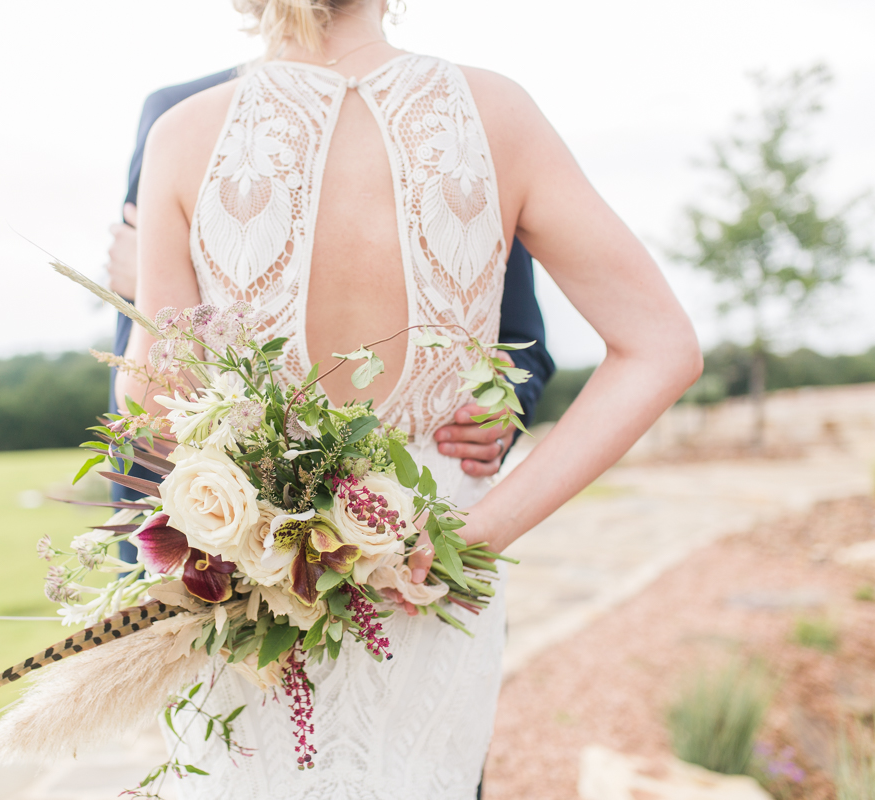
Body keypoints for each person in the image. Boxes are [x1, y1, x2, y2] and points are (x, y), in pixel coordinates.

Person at [117, 1, 703, 797]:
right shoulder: (499, 115)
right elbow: (661, 347)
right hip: (432, 572)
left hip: (253, 571)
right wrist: (475, 534)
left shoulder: (184, 134)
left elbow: (152, 405)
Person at [106, 70, 556, 564]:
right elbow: (155, 382)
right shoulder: (179, 114)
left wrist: (506, 407)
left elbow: (513, 330)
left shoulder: (461, 123)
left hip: (433, 516)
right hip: (228, 540)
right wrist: (150, 296)